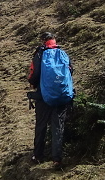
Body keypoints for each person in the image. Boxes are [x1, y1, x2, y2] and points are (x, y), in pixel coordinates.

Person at [27, 32, 73, 169]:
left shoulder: (40, 54)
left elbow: (34, 74)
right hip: (62, 95)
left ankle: (38, 156)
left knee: (41, 125)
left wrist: (33, 83)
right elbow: (70, 71)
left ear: (43, 41)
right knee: (58, 126)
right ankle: (57, 159)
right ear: (54, 40)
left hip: (43, 96)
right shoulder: (63, 53)